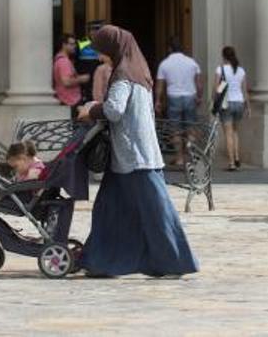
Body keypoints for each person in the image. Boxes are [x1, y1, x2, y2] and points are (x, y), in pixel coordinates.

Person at [76, 25, 198, 278]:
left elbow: (114, 110)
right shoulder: (139, 71)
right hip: (132, 156)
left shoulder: (122, 75)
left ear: (113, 48)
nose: (99, 57)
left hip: (134, 157)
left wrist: (91, 109)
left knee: (156, 212)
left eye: (101, 51)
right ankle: (100, 262)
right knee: (111, 211)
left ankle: (174, 261)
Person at [155, 38, 202, 166]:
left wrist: (158, 101)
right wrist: (199, 97)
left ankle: (180, 158)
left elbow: (160, 85)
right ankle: (191, 153)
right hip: (190, 96)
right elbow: (199, 84)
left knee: (175, 129)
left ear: (169, 49)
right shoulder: (192, 62)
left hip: (174, 97)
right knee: (191, 127)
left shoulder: (164, 64)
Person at [214, 46, 250, 171]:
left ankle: (231, 163)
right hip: (239, 102)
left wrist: (214, 103)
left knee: (228, 134)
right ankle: (237, 157)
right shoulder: (241, 70)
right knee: (235, 132)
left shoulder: (221, 69)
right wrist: (248, 107)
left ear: (224, 56)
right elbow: (245, 90)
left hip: (227, 103)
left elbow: (217, 89)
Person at [52, 33, 90, 120]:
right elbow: (66, 81)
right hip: (70, 100)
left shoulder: (60, 60)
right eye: (71, 44)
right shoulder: (63, 62)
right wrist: (82, 79)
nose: (75, 46)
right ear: (64, 45)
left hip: (67, 99)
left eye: (75, 44)